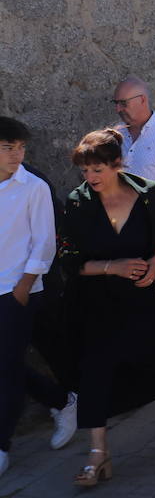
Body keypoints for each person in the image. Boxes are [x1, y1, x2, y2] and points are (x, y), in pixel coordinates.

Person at [57, 129, 155, 487]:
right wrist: (112, 267)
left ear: (117, 165)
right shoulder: (77, 203)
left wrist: (154, 263)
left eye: (97, 170)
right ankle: (98, 453)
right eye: (85, 172)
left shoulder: (151, 196)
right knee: (95, 369)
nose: (90, 179)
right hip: (98, 303)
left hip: (148, 297)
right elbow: (68, 259)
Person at [0, 117, 77, 478]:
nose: (17, 154)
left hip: (19, 291)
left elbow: (44, 243)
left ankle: (1, 446)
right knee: (7, 365)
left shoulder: (33, 187)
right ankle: (61, 401)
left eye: (20, 148)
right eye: (8, 147)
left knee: (7, 367)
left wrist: (23, 287)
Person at [111, 77, 155, 193]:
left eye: (123, 103)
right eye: (116, 103)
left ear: (142, 100)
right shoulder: (114, 136)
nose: (118, 109)